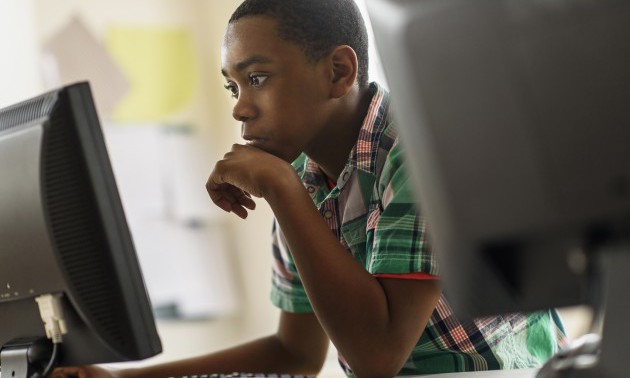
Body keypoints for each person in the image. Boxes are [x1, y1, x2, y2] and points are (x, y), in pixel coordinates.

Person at [53, 0, 567, 377]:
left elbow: (377, 356)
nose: (239, 107)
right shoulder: (301, 176)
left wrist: (282, 190)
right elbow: (296, 354)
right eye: (233, 86)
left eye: (257, 78)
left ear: (339, 72)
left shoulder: (417, 151)